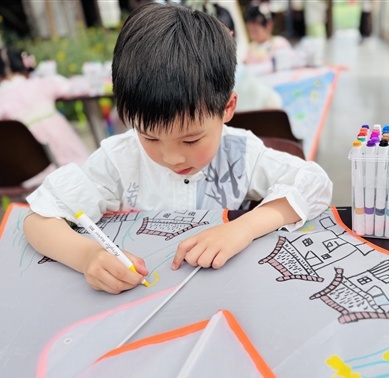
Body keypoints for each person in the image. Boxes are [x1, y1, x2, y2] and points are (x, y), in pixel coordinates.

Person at [23, 4, 332, 295]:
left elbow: (314, 183)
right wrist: (87, 255)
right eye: (150, 138)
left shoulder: (241, 153)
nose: (171, 158)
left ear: (227, 108)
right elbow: (38, 221)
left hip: (224, 293)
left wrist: (244, 228)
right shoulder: (119, 160)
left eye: (191, 140)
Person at [0, 48, 91, 174]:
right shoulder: (41, 84)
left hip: (30, 168)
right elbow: (73, 87)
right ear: (24, 66)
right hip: (71, 157)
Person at [211, 3, 283, 111]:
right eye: (250, 31)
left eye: (255, 30)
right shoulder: (242, 69)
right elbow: (275, 103)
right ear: (231, 34)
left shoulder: (279, 44)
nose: (253, 34)